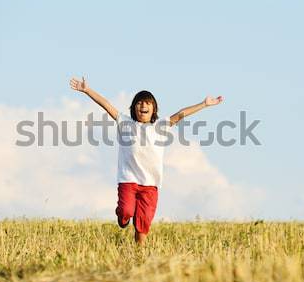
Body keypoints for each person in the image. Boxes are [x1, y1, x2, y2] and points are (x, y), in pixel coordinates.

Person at [70, 76, 223, 245]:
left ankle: (139, 253)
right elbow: (106, 105)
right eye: (139, 103)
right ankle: (123, 218)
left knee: (143, 224)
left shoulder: (160, 126)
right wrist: (87, 90)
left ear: (154, 109)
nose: (143, 106)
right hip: (128, 180)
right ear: (133, 108)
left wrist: (204, 104)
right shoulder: (125, 123)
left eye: (147, 103)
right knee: (126, 210)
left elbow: (181, 114)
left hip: (150, 184)